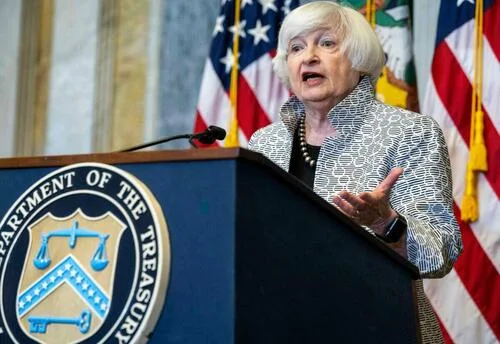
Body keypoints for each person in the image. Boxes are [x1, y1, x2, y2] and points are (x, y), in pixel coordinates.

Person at [248, 2, 462, 343]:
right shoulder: (265, 143)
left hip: (381, 326)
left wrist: (386, 223)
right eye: (296, 48)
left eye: (327, 43)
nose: (309, 56)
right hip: (280, 325)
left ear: (359, 59)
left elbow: (442, 251)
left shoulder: (409, 132)